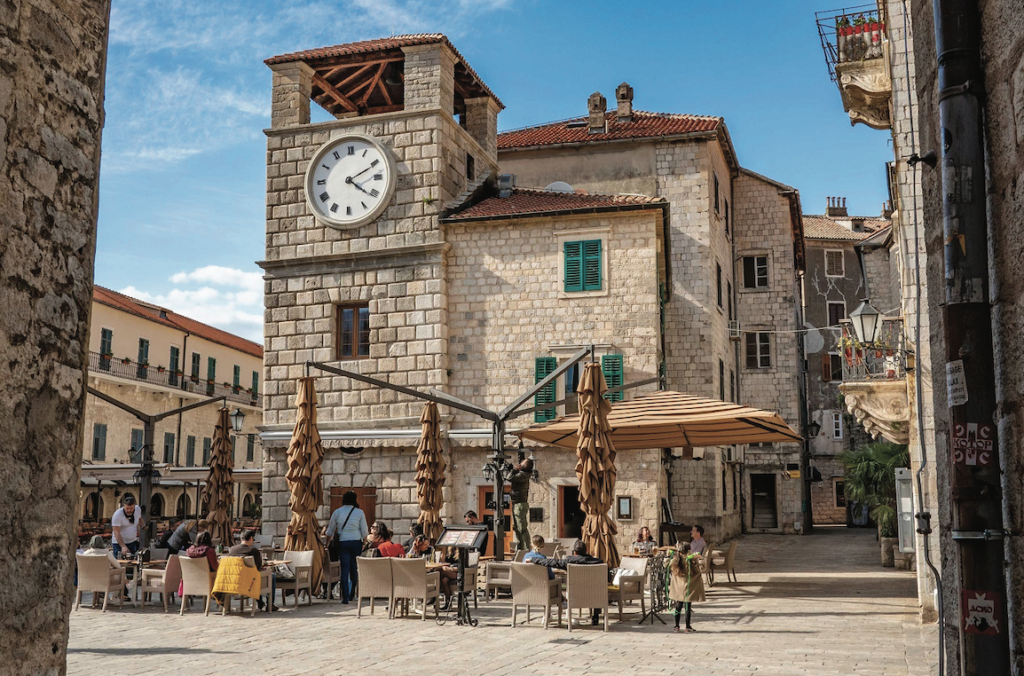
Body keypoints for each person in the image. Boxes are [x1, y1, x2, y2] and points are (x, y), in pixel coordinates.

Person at [529, 539, 607, 625]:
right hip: (595, 595)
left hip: (574, 594)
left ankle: (567, 613)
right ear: (586, 551)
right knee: (597, 588)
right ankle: (595, 616)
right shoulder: (599, 562)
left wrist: (533, 559)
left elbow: (550, 562)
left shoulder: (569, 561)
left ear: (575, 553)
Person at [324, 490, 368, 604]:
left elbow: (330, 531)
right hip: (356, 542)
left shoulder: (337, 512)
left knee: (344, 568)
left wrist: (327, 543)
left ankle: (345, 597)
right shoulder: (359, 512)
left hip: (343, 542)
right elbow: (364, 531)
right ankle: (352, 593)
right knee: (354, 568)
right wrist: (364, 542)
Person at [229, 528, 273, 611]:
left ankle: (260, 602)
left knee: (254, 573)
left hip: (235, 579)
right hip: (251, 580)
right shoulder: (253, 550)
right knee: (271, 576)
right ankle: (270, 604)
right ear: (251, 538)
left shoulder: (232, 550)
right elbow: (258, 565)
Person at [668, 540, 705, 633]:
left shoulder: (675, 560)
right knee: (687, 606)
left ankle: (676, 626)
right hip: (688, 586)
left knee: (678, 605)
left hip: (677, 586)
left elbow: (667, 565)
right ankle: (687, 627)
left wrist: (667, 556)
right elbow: (700, 570)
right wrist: (700, 559)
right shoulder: (691, 560)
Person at [508, 457, 533, 551]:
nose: (520, 463)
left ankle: (527, 548)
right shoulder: (523, 474)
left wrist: (514, 470)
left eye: (522, 463)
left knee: (522, 527)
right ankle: (520, 548)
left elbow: (509, 477)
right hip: (517, 504)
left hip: (520, 504)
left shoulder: (523, 475)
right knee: (516, 528)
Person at [111, 495, 144, 560]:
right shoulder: (117, 515)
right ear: (124, 506)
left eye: (131, 508)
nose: (129, 510)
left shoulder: (137, 509)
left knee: (133, 561)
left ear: (134, 506)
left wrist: (143, 525)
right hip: (119, 543)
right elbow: (116, 532)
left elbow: (139, 518)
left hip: (132, 542)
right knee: (119, 562)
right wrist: (123, 546)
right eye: (127, 508)